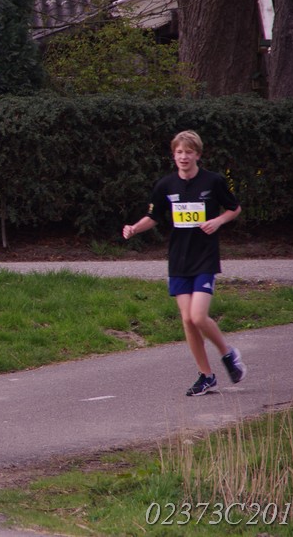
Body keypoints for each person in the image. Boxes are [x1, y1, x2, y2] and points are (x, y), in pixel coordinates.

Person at [123, 130, 246, 397]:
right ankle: (206, 376)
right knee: (188, 321)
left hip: (205, 257)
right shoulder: (165, 185)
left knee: (198, 316)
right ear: (173, 155)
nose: (183, 157)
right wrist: (134, 228)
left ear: (197, 155)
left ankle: (228, 354)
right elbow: (153, 217)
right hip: (179, 259)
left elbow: (234, 208)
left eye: (189, 152)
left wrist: (217, 221)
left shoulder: (213, 181)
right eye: (179, 152)